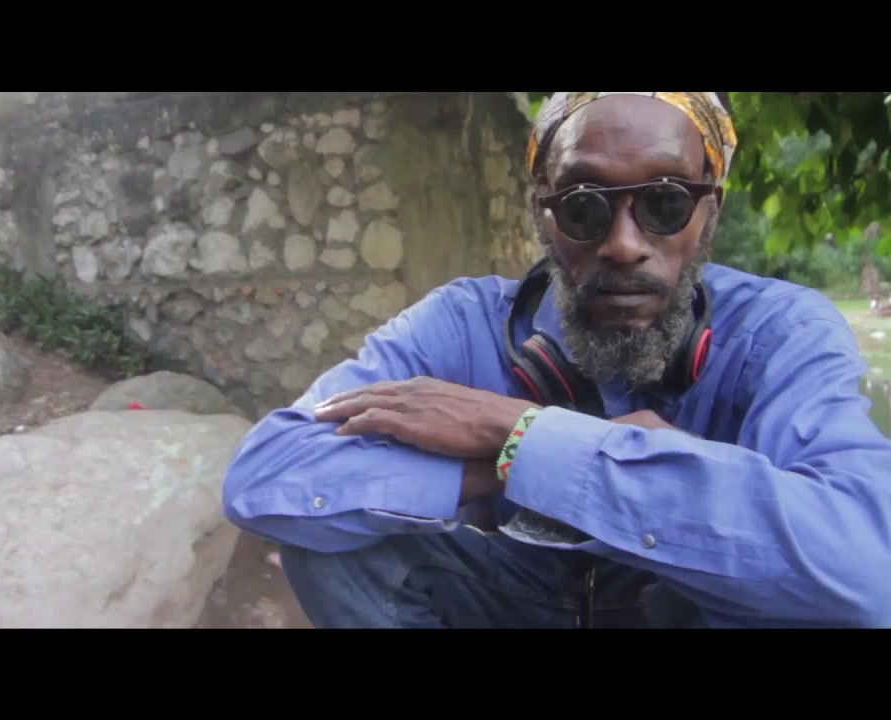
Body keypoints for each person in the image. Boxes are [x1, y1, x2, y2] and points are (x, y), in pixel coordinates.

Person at [221, 92, 891, 629]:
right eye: (582, 206)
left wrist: (524, 434)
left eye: (665, 202)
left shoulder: (779, 331)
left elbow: (866, 569)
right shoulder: (461, 322)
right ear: (542, 215)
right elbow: (267, 477)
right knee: (332, 544)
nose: (624, 245)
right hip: (510, 593)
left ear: (708, 213)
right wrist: (510, 459)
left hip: (686, 602)